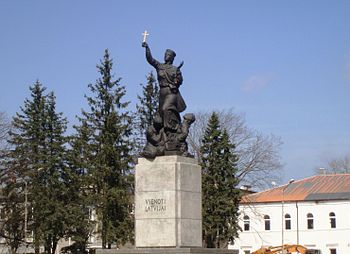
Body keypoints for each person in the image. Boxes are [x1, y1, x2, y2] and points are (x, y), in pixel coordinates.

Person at [142, 42, 186, 132]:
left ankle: (171, 127)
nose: (166, 56)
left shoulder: (175, 69)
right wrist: (147, 48)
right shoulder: (160, 66)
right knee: (161, 113)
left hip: (171, 92)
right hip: (162, 92)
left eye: (168, 55)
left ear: (172, 57)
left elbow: (180, 80)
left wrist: (176, 82)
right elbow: (150, 59)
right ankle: (166, 131)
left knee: (165, 108)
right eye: (165, 54)